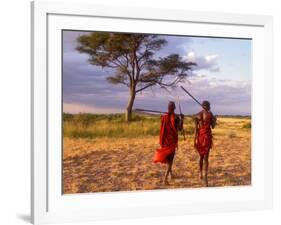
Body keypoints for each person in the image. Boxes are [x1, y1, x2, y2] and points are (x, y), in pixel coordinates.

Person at [153, 101, 184, 185]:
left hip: (165, 141)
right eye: (171, 107)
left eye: (169, 107)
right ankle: (165, 178)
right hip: (171, 142)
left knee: (169, 159)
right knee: (170, 160)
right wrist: (182, 120)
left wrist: (180, 119)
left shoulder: (164, 117)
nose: (170, 108)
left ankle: (171, 174)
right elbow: (180, 129)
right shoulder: (175, 118)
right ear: (174, 108)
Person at [194, 100, 216, 187]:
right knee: (205, 158)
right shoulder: (210, 114)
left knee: (201, 156)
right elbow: (213, 127)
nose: (210, 107)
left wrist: (194, 140)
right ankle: (205, 178)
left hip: (200, 138)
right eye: (209, 105)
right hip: (206, 138)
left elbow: (196, 129)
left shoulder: (197, 114)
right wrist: (214, 119)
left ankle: (201, 174)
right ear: (206, 106)